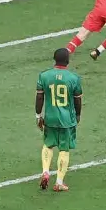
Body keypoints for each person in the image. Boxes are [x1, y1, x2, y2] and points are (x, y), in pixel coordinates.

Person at [35, 48, 83, 192]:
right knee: (64, 149)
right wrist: (78, 115)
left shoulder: (44, 76)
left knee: (48, 145)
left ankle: (45, 171)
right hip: (67, 119)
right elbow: (77, 100)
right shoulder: (74, 78)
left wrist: (38, 115)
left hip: (50, 117)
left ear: (54, 59)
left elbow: (39, 97)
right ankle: (59, 182)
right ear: (67, 61)